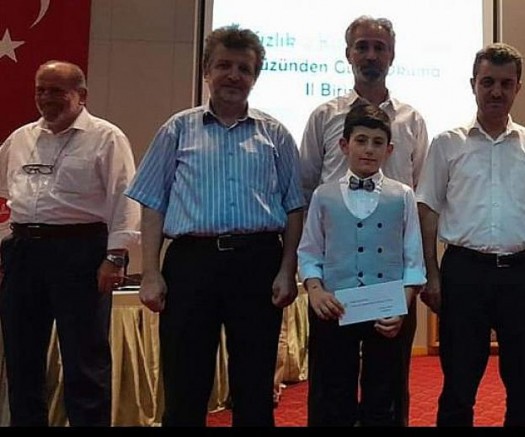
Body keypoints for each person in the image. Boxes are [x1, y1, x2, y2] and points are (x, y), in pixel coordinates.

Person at [124, 26, 305, 427]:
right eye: (224, 65)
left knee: (254, 387)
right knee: (184, 384)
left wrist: (287, 269)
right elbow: (152, 203)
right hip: (192, 264)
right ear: (206, 71)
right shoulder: (177, 129)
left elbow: (295, 208)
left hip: (258, 263)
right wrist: (150, 272)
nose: (234, 75)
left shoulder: (275, 134)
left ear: (255, 77)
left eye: (244, 68)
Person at [416, 43, 525, 427]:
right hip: (463, 273)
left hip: (522, 275)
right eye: (487, 82)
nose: (496, 91)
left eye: (505, 83)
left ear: (518, 87)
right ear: (473, 84)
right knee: (458, 383)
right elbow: (428, 210)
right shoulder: (447, 143)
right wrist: (431, 273)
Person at [299, 15, 429, 426]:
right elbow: (306, 188)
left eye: (379, 47)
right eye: (362, 46)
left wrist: (405, 297)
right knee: (330, 389)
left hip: (388, 294)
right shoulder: (324, 116)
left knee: (387, 392)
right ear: (348, 53)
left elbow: (420, 197)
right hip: (334, 294)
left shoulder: (412, 120)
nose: (371, 55)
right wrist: (314, 287)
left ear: (392, 54)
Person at [0, 60, 140, 426]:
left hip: (80, 251)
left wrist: (115, 257)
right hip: (23, 252)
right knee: (21, 357)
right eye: (40, 90)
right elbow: (5, 196)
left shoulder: (106, 137)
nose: (47, 98)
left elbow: (125, 199)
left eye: (57, 91)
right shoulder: (20, 138)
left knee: (85, 359)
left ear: (82, 95)